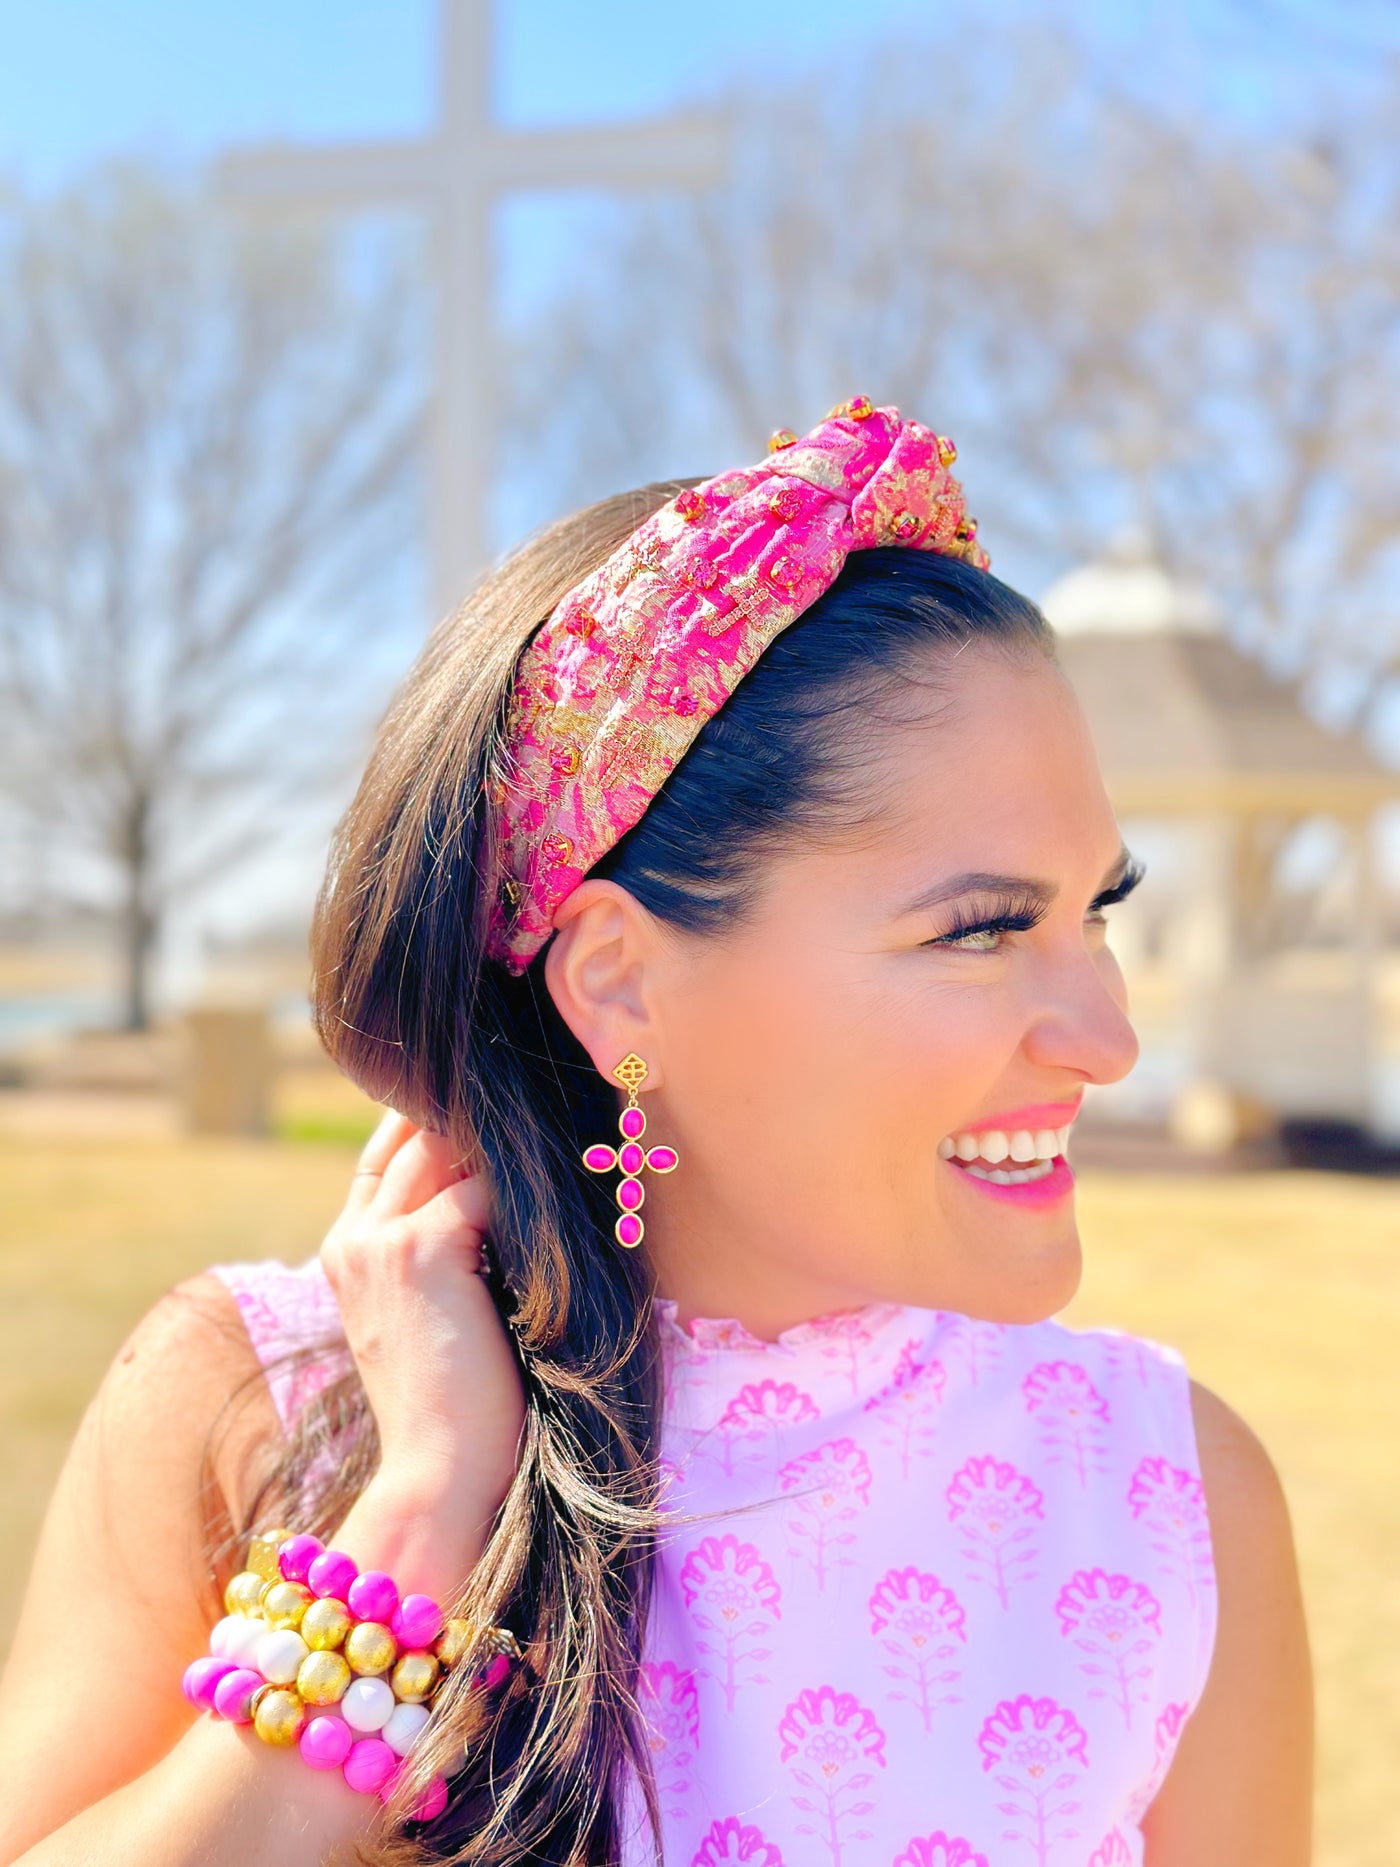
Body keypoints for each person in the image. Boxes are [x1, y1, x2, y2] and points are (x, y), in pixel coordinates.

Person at [0, 400, 1311, 1867]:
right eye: (985, 929)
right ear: (620, 982)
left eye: (1098, 915)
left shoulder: (1168, 1491)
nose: (1110, 1037)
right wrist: (420, 1512)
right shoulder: (258, 1399)